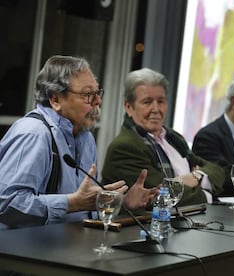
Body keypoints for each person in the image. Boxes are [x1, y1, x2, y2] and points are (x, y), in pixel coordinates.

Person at [0, 56, 157, 230]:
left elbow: (86, 210)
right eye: (88, 94)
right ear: (56, 100)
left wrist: (123, 203)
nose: (98, 101)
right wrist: (72, 203)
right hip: (23, 253)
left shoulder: (85, 137)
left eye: (98, 93)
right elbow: (6, 203)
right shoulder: (34, 133)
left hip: (74, 248)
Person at [102, 68, 224, 206]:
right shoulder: (125, 147)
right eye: (147, 102)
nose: (156, 109)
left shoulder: (173, 138)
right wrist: (207, 193)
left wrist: (196, 176)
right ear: (129, 107)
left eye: (161, 101)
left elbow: (217, 171)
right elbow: (164, 195)